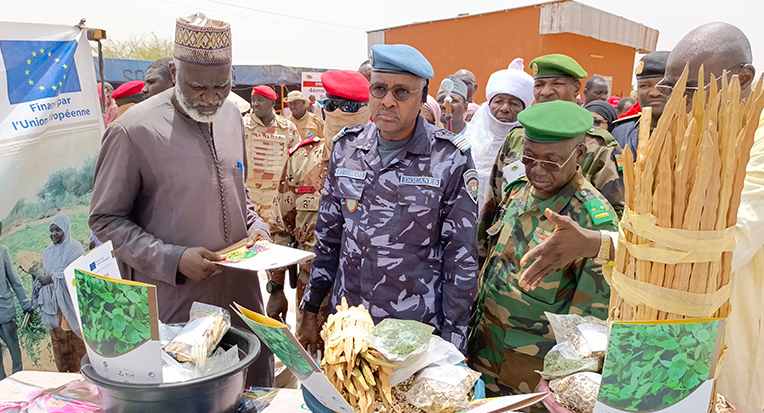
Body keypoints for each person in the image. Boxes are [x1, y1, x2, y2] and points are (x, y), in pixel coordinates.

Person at [514, 22, 760, 413]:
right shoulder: (686, 133)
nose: (675, 103)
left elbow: (718, 241)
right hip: (665, 340)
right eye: (669, 87)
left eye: (689, 90)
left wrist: (601, 243)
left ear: (743, 79)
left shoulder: (755, 143)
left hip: (729, 335)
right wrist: (598, 244)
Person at [89, 13, 274, 387]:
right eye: (197, 87)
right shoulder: (132, 131)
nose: (210, 99)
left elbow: (240, 193)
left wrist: (257, 227)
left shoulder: (232, 118)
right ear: (174, 73)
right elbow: (105, 221)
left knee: (253, 394)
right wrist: (172, 259)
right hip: (179, 311)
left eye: (221, 87)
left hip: (243, 303)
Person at [298, 44, 478, 354]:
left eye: (401, 93)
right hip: (349, 327)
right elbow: (328, 239)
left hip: (414, 332)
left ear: (422, 98)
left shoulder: (449, 159)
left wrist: (453, 344)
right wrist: (311, 307)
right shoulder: (347, 149)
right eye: (379, 89)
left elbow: (460, 258)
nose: (387, 102)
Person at [470, 100, 617, 398]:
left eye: (551, 162)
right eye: (528, 158)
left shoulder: (591, 220)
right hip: (483, 349)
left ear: (579, 154)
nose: (537, 170)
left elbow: (590, 326)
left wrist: (562, 383)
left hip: (530, 376)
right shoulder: (518, 191)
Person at [270, 70, 370, 337]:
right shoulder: (301, 159)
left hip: (363, 306)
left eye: (349, 107)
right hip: (310, 299)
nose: (338, 113)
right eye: (331, 104)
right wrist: (276, 289)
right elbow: (281, 227)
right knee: (311, 374)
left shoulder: (380, 165)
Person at [485, 53, 623, 234]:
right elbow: (494, 200)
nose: (546, 92)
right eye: (539, 85)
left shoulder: (600, 146)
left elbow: (614, 218)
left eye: (557, 84)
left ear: (576, 89)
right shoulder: (518, 137)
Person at [463, 57, 534, 215]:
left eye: (514, 103)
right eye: (498, 101)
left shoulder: (531, 143)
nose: (504, 108)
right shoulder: (469, 137)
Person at [36, 214, 86, 373]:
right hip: (54, 305)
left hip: (71, 303)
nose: (53, 234)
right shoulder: (47, 252)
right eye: (51, 231)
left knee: (76, 339)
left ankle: (82, 373)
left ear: (65, 229)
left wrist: (51, 278)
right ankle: (64, 374)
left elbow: (75, 273)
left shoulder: (75, 248)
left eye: (57, 230)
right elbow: (47, 273)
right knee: (59, 340)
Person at [611, 51, 670, 155]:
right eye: (644, 86)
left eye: (663, 85)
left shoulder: (696, 133)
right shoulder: (621, 133)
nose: (654, 93)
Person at [0, 222, 33, 379]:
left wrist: (25, 303)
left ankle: (16, 383)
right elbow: (14, 280)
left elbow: (14, 280)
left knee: (14, 351)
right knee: (9, 353)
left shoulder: (3, 251)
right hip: (5, 309)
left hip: (5, 311)